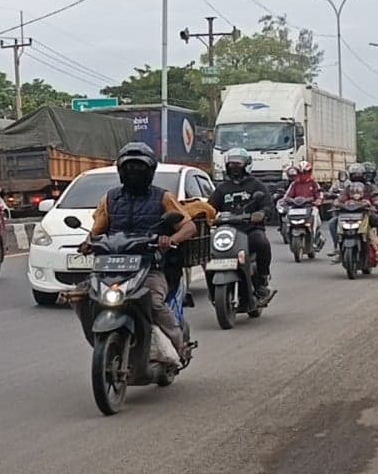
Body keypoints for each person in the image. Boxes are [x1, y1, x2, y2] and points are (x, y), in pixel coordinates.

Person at [84, 142, 198, 358]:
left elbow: (188, 226)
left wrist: (170, 239)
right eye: (128, 168)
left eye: (138, 168)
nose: (133, 172)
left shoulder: (163, 198)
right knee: (83, 297)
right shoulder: (110, 199)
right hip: (112, 268)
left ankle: (180, 343)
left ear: (150, 171)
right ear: (120, 171)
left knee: (153, 302)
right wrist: (87, 243)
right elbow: (96, 231)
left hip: (151, 267)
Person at [208, 148, 273, 303]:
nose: (234, 167)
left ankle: (262, 279)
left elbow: (268, 205)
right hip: (227, 231)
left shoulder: (256, 185)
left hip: (250, 230)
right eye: (231, 163)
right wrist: (204, 215)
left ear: (247, 165)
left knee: (261, 242)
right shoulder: (222, 188)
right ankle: (213, 291)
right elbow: (210, 208)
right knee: (209, 253)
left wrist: (262, 213)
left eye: (238, 163)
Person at [328, 163, 378, 257]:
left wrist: (375, 203)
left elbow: (377, 197)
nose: (357, 177)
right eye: (354, 175)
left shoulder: (370, 187)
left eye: (359, 175)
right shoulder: (347, 188)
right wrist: (337, 203)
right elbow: (340, 198)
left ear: (364, 175)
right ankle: (337, 247)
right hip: (347, 215)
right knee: (332, 222)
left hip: (367, 214)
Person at [284, 159, 324, 249]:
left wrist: (318, 200)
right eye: (301, 173)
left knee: (314, 217)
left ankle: (314, 239)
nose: (303, 175)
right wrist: (287, 200)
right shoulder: (294, 184)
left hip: (310, 206)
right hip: (296, 207)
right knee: (287, 219)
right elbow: (287, 195)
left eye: (305, 172)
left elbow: (319, 194)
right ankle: (288, 236)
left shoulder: (314, 183)